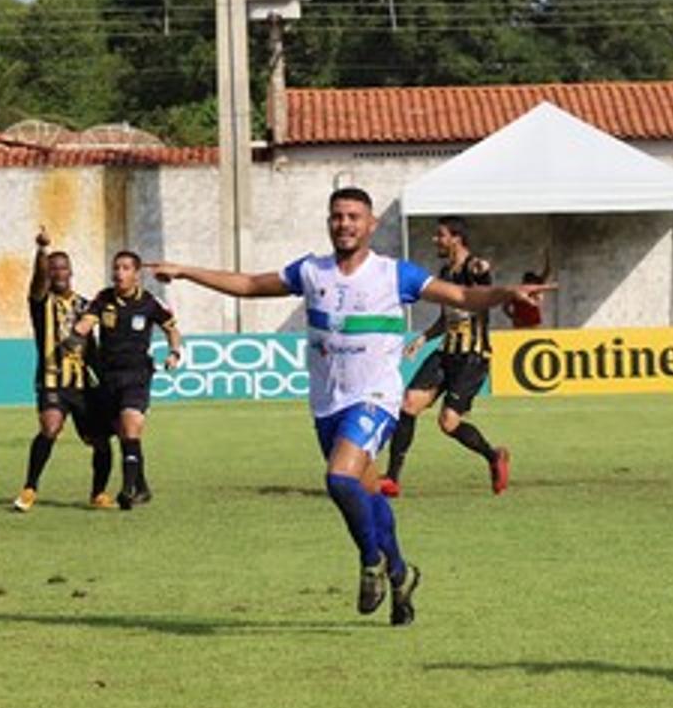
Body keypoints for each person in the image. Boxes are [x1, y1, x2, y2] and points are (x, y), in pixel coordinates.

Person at [149, 188, 549, 626]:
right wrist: (186, 271)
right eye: (337, 216)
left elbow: (460, 297)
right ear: (329, 221)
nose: (344, 224)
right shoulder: (311, 271)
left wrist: (506, 291)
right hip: (327, 404)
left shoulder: (395, 274)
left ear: (371, 224)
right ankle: (400, 573)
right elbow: (247, 285)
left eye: (354, 216)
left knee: (339, 479)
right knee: (370, 495)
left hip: (376, 397)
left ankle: (370, 561)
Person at [381, 217, 512, 497]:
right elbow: (446, 319)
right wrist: (423, 338)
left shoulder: (473, 267)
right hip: (445, 353)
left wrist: (483, 271)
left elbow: (483, 282)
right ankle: (391, 479)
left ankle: (494, 456)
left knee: (448, 423)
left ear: (456, 238)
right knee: (408, 404)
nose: (435, 240)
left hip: (472, 358)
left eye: (440, 236)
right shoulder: (444, 273)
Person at [12, 228, 114, 513]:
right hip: (52, 381)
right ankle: (30, 488)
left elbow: (91, 346)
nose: (57, 272)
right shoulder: (41, 301)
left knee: (101, 441)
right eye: (52, 268)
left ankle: (98, 493)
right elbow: (37, 282)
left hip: (83, 385)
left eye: (62, 267)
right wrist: (42, 252)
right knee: (50, 427)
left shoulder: (85, 305)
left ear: (71, 271)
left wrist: (105, 381)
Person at [71, 251, 183, 511]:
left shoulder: (149, 302)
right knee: (121, 435)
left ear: (136, 273)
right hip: (107, 378)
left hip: (137, 375)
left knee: (131, 426)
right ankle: (141, 487)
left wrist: (175, 352)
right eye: (116, 268)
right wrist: (76, 336)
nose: (118, 273)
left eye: (124, 268)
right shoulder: (104, 298)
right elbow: (87, 322)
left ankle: (128, 490)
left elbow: (171, 328)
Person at [506, 248, 555, 329]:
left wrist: (548, 256)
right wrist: (513, 317)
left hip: (534, 324)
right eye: (531, 282)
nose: (533, 284)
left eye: (534, 282)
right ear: (525, 282)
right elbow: (505, 308)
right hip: (520, 326)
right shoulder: (516, 291)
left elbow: (547, 271)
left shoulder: (536, 288)